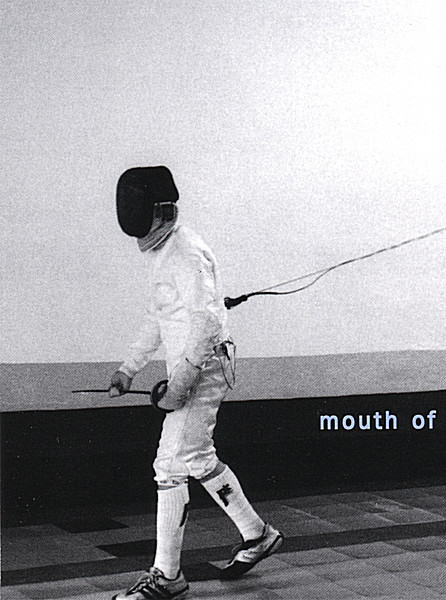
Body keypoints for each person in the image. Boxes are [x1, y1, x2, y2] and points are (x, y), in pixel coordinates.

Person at [110, 166, 282, 600]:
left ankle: (167, 577)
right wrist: (129, 368)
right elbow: (159, 315)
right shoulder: (162, 252)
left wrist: (180, 385)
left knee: (169, 466)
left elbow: (206, 323)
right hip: (190, 370)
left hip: (203, 368)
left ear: (159, 210)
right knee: (198, 458)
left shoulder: (186, 252)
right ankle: (257, 533)